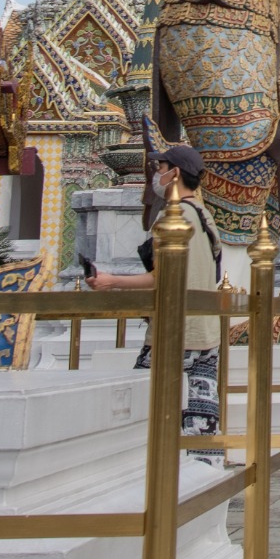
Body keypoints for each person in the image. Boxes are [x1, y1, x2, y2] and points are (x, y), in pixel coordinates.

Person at [89, 144, 227, 448]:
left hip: (173, 332)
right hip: (204, 331)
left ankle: (153, 476)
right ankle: (205, 475)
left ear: (175, 173)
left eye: (160, 168)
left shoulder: (174, 217)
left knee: (143, 413)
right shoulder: (204, 216)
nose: (156, 175)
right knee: (200, 417)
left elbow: (162, 279)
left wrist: (110, 281)